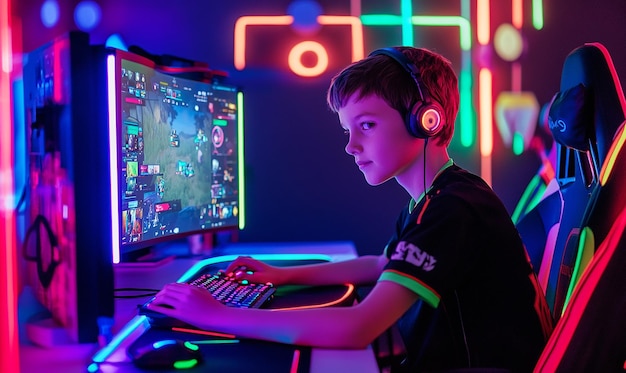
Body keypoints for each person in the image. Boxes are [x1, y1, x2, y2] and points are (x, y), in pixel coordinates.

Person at [149, 46, 553, 372]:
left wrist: (220, 316)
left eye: (367, 125)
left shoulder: (452, 209)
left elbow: (359, 328)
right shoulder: (439, 197)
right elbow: (384, 265)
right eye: (348, 129)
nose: (351, 146)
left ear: (426, 120)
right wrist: (281, 275)